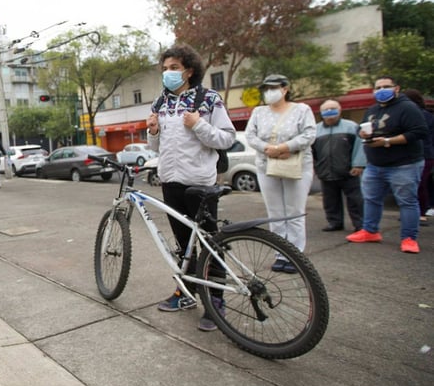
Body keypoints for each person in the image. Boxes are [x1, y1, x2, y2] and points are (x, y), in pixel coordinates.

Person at [146, 44, 236, 332]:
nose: (168, 73)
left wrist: (198, 125)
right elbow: (155, 147)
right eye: (165, 68)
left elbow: (227, 139)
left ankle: (216, 301)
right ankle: (185, 293)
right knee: (183, 245)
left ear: (189, 70)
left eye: (174, 68)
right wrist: (153, 132)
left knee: (211, 244)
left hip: (200, 184)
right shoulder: (159, 102)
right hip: (170, 182)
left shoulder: (208, 99)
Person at [346, 78, 428, 253]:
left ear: (396, 88)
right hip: (375, 164)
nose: (381, 90)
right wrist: (362, 133)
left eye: (386, 87)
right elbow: (362, 129)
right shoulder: (373, 110)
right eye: (378, 88)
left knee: (407, 201)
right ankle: (370, 231)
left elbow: (419, 132)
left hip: (404, 164)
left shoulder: (407, 107)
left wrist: (387, 141)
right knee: (371, 199)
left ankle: (409, 238)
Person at [245, 74, 316, 273]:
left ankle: (295, 256)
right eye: (266, 89)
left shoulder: (302, 110)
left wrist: (286, 146)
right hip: (267, 165)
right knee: (275, 213)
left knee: (294, 212)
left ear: (285, 89)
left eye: (273, 87)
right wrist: (268, 148)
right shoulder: (259, 112)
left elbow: (310, 134)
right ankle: (280, 254)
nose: (269, 92)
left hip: (296, 164)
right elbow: (250, 135)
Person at [312, 99, 366, 233]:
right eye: (326, 109)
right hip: (325, 171)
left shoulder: (351, 126)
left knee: (355, 200)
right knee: (330, 200)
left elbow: (360, 146)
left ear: (340, 110)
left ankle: (360, 224)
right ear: (321, 112)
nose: (329, 112)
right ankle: (334, 222)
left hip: (348, 171)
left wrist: (358, 164)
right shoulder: (315, 130)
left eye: (333, 108)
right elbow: (311, 151)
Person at [403, 89, 434, 227]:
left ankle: (421, 212)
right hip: (408, 154)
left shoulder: (426, 116)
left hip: (425, 154)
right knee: (409, 185)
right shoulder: (405, 115)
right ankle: (410, 213)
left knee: (420, 184)